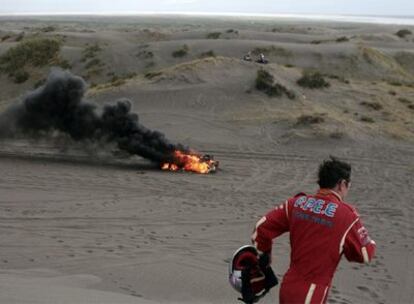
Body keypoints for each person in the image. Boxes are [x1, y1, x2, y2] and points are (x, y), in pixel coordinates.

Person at [251, 156, 376, 303]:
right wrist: (370, 242)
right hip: (312, 292)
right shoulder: (347, 215)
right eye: (348, 185)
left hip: (288, 286)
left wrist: (265, 256)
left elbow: (261, 228)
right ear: (342, 184)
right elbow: (365, 254)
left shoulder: (296, 203)